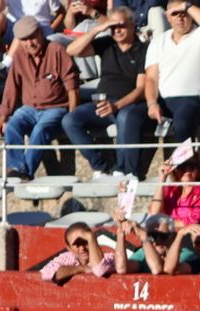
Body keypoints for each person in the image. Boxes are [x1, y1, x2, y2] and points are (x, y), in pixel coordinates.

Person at [62, 5, 148, 180]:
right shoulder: (107, 44)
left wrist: (116, 106)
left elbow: (141, 89)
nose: (117, 30)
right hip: (102, 103)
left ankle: (127, 170)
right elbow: (71, 50)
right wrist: (98, 28)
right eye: (113, 26)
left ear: (132, 25)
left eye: (121, 25)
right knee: (70, 120)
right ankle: (101, 166)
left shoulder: (143, 49)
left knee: (126, 117)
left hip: (128, 104)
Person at [0, 15, 76, 180]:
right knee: (12, 125)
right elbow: (11, 87)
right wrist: (3, 118)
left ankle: (25, 173)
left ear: (40, 33)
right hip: (29, 108)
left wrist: (71, 115)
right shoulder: (19, 56)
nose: (30, 43)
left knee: (40, 130)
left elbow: (72, 87)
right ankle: (16, 167)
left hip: (56, 107)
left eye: (32, 37)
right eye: (24, 40)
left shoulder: (56, 50)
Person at [144, 0, 200, 144]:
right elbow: (151, 78)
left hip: (194, 100)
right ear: (168, 17)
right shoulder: (158, 42)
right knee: (130, 117)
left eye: (184, 13)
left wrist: (187, 6)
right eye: (175, 14)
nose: (180, 17)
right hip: (164, 101)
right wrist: (152, 104)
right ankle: (125, 167)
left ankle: (184, 165)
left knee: (182, 123)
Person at [0, 0, 59, 70]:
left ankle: (5, 66)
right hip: (14, 27)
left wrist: (52, 28)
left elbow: (60, 11)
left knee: (24, 26)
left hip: (36, 29)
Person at [115, 209, 194, 273]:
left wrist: (144, 236)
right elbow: (121, 268)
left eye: (163, 236)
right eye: (153, 236)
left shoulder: (184, 254)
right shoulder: (143, 253)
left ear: (172, 237)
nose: (158, 240)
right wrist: (120, 233)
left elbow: (158, 269)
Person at [39, 220, 115, 281]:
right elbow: (48, 274)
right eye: (77, 245)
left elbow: (100, 270)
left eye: (85, 242)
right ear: (69, 248)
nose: (82, 248)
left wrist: (90, 236)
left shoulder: (108, 258)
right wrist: (81, 268)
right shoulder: (66, 258)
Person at [147, 152, 200, 224]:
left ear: (198, 170)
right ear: (175, 170)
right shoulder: (169, 190)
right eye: (182, 166)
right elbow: (154, 214)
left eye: (192, 166)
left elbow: (194, 221)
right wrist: (162, 178)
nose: (187, 170)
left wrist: (165, 224)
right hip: (168, 233)